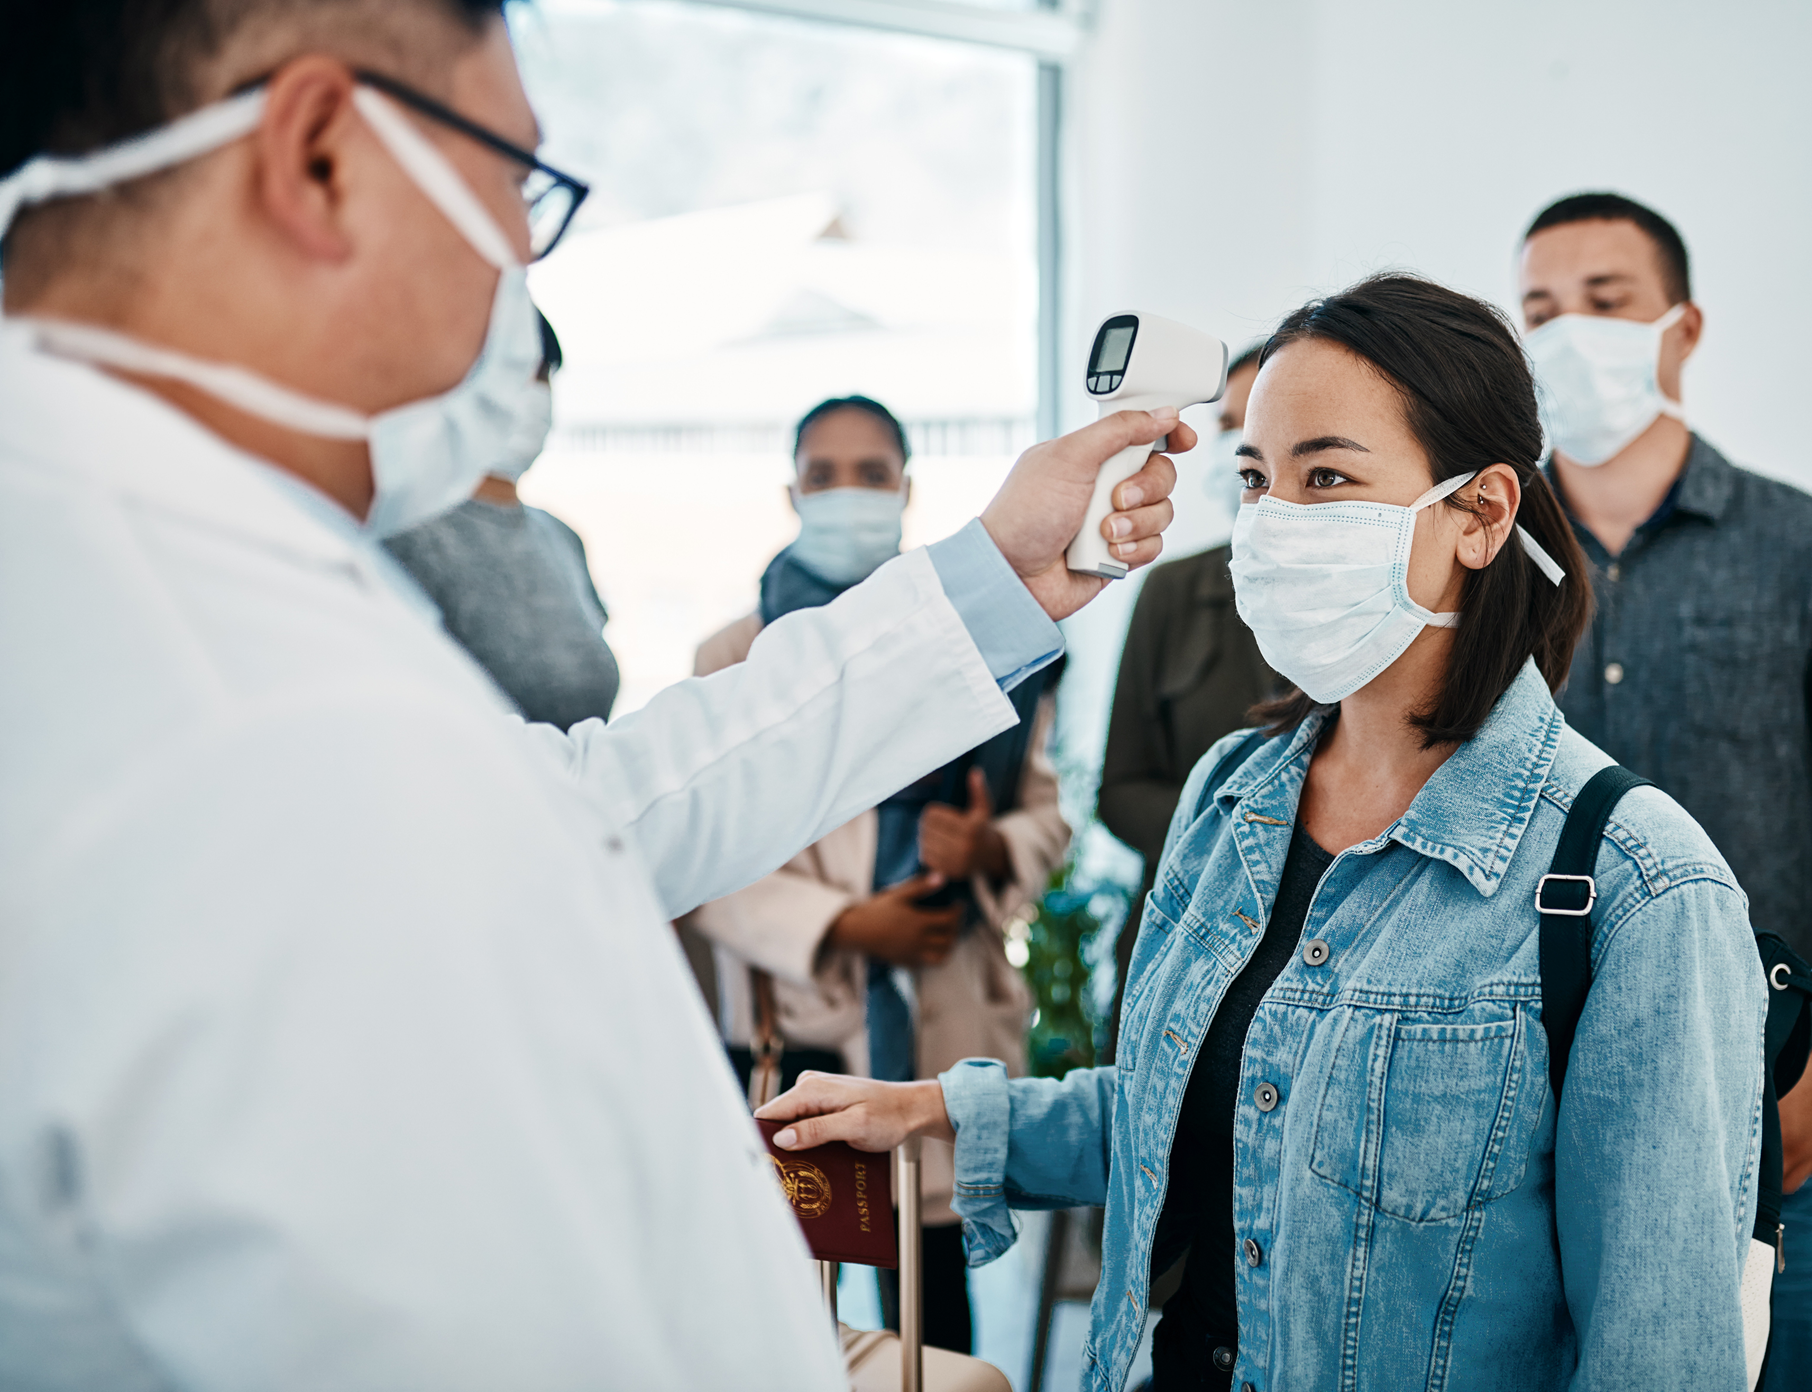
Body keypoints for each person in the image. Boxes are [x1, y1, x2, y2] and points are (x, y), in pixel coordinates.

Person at [0, 3, 1190, 1385]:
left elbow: (598, 804)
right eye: (517, 183)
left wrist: (990, 577)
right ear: (321, 156)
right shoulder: (250, 709)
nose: (522, 252)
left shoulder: (146, 574)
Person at [763, 275, 1771, 1390]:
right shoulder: (1231, 793)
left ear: (1480, 514)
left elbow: (1658, 1351)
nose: (1274, 525)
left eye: (1326, 478)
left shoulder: (1637, 888)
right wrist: (932, 1112)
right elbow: (1192, 1108)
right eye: (1252, 479)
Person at [1517, 191, 1812, 1391]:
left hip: (1754, 1128)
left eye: (1604, 302)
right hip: (1503, 1121)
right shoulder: (1477, 554)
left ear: (1682, 328)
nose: (1568, 334)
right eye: (1537, 311)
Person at [686, 395, 1070, 1354]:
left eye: (871, 474)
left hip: (942, 1001)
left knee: (933, 1291)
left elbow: (1046, 814)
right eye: (824, 476)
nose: (849, 495)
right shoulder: (734, 655)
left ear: (907, 489)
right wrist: (845, 926)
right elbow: (700, 849)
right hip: (805, 1010)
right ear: (791, 492)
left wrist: (989, 853)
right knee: (793, 1278)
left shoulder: (984, 648)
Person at [1099, 342, 1277, 1051]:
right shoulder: (1174, 591)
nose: (1241, 446)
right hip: (1180, 948)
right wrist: (1246, 845)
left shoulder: (1360, 599)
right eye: (1231, 423)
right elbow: (1119, 789)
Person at [383, 310, 622, 728]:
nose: (533, 392)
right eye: (516, 372)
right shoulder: (409, 537)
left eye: (543, 376)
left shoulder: (561, 537)